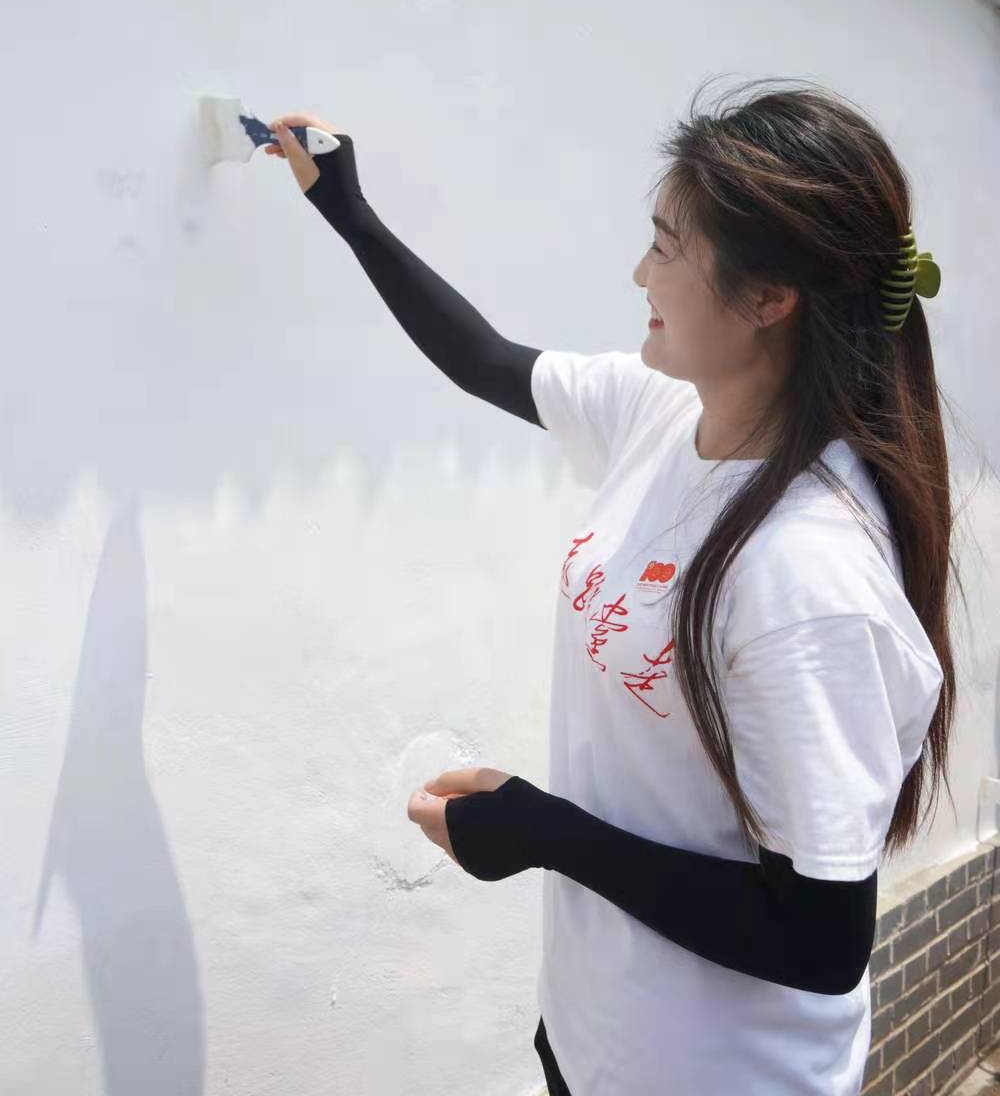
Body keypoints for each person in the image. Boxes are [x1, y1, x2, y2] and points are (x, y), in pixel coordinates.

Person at [265, 81, 954, 1096]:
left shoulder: (806, 577)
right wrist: (349, 210)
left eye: (668, 247)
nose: (641, 272)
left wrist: (543, 833)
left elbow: (819, 937)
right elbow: (484, 360)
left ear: (770, 299)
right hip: (594, 1038)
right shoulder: (666, 413)